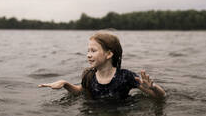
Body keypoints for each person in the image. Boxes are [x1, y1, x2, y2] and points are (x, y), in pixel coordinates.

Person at [38, 32, 166, 99]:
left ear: (109, 54)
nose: (88, 55)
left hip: (119, 115)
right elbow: (79, 91)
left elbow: (160, 97)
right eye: (88, 51)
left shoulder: (126, 76)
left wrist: (153, 87)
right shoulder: (88, 75)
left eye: (93, 51)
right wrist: (65, 84)